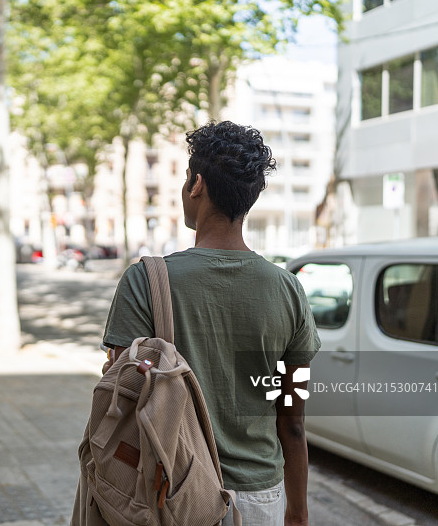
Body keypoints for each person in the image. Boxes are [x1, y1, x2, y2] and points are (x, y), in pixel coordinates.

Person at [102, 120, 320, 526]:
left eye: (186, 178)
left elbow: (120, 396)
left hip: (170, 489)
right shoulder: (289, 290)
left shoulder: (145, 281)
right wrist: (298, 511)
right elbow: (292, 418)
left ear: (197, 184)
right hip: (261, 499)